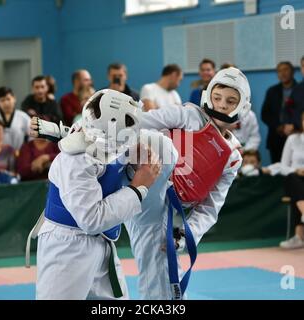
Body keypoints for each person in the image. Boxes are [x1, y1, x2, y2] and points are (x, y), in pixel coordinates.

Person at [31, 67, 248, 299]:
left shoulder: (232, 157)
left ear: (242, 106)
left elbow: (210, 208)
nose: (223, 104)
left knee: (164, 262)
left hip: (170, 210)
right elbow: (134, 122)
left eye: (231, 101)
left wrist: (187, 234)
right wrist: (80, 130)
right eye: (218, 97)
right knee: (160, 147)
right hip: (143, 185)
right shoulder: (188, 115)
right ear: (207, 95)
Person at [30, 90, 161, 299]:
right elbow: (92, 219)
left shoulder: (102, 137)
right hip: (68, 247)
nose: (132, 136)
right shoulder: (76, 161)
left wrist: (133, 158)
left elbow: (112, 160)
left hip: (101, 243)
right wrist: (138, 188)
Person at [261, 62, 298, 163]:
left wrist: (294, 126)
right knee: (277, 171)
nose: (282, 73)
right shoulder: (272, 91)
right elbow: (265, 114)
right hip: (276, 136)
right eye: (279, 71)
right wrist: (278, 126)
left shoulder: (300, 89)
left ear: (293, 72)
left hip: (296, 134)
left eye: (286, 69)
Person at [279, 111, 304, 249]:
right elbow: (283, 167)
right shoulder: (293, 139)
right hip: (295, 178)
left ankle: (299, 236)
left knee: (297, 189)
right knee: (293, 179)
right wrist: (297, 170)